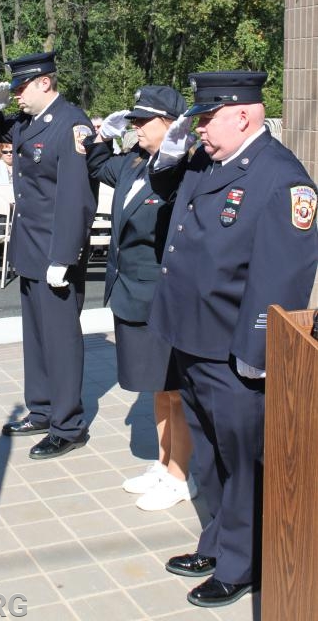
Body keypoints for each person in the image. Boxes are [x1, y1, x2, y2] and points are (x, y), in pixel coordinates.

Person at [148, 71, 318, 608]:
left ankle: (242, 564)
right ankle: (218, 542)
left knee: (242, 461)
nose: (198, 129)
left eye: (206, 118)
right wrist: (170, 155)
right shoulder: (208, 159)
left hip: (233, 350)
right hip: (192, 338)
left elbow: (281, 276)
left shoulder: (281, 178)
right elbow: (167, 201)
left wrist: (258, 350)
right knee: (213, 457)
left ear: (242, 115)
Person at [0, 52, 98, 459]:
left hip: (55, 252)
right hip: (30, 247)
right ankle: (42, 409)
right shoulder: (29, 122)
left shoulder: (71, 125)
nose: (16, 97)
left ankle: (68, 424)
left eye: (21, 88)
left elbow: (76, 197)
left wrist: (64, 255)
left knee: (61, 340)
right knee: (37, 337)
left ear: (45, 82)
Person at [84, 87, 196, 511]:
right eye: (131, 121)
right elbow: (98, 165)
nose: (134, 127)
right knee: (157, 387)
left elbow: (173, 188)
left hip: (158, 297)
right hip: (130, 293)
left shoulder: (177, 171)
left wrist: (176, 152)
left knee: (174, 389)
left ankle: (181, 475)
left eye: (141, 121)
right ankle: (164, 463)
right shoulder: (136, 162)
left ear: (169, 124)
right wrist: (102, 138)